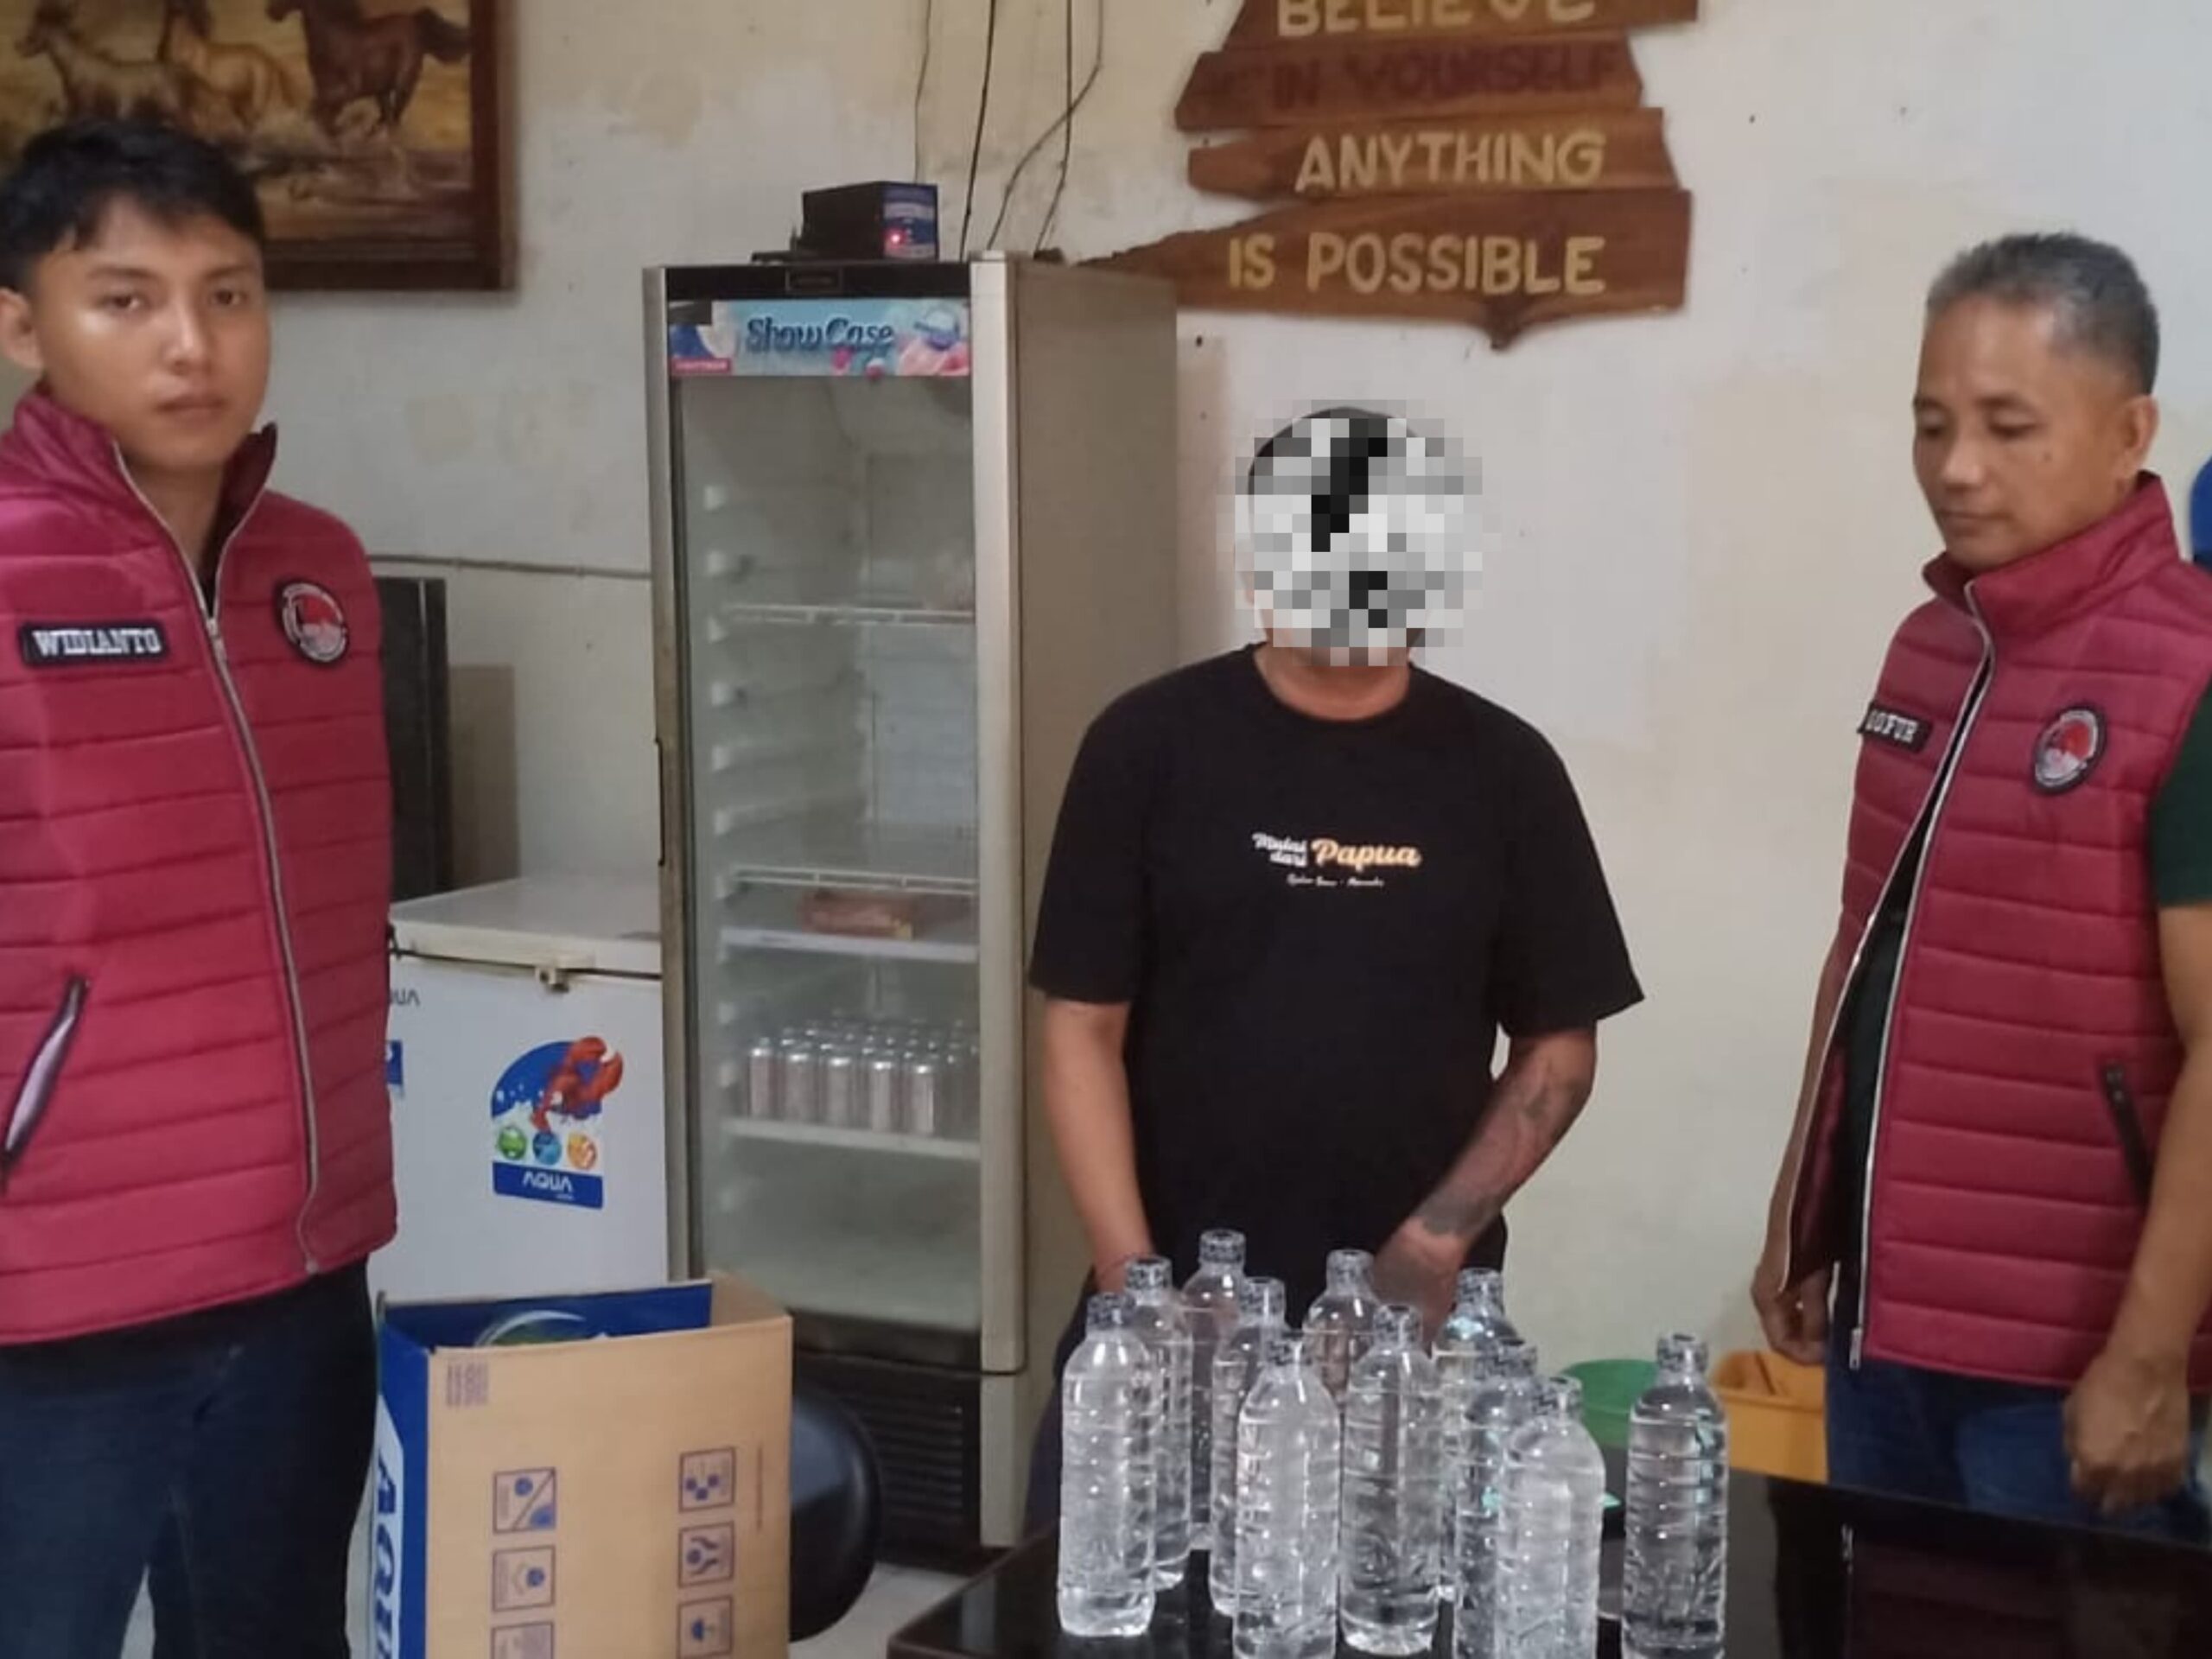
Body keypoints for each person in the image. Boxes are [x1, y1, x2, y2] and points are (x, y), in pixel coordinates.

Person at [1024, 405, 1641, 1527]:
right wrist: (1134, 1284)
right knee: (1116, 1597)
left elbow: (1559, 1045)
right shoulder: (1146, 747)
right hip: (1175, 1309)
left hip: (1413, 1332)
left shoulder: (1506, 772)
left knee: (1395, 1601)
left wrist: (1432, 1248)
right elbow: (1080, 1026)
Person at [0, 120, 393, 1654]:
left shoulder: (319, 570)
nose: (192, 345)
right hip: (53, 1300)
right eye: (127, 299)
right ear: (22, 326)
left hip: (299, 1266)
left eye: (228, 296)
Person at [1755, 233, 2212, 1539]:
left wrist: (2147, 1357)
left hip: (2072, 1368)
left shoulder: (2191, 674)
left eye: (2010, 428)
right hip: (1886, 1331)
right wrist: (1802, 1217)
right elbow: (1866, 950)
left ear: (2128, 434)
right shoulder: (1932, 647)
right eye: (1932, 424)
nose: (1957, 468)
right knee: (1889, 1617)